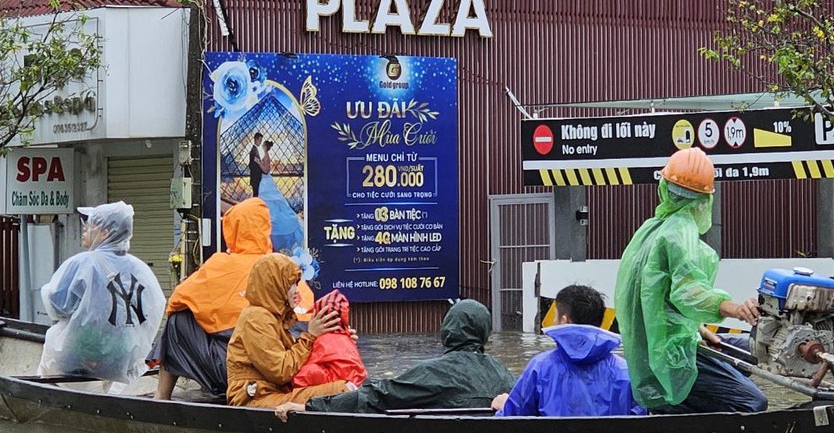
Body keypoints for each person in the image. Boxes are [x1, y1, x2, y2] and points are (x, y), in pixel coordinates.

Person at [613, 149, 767, 414]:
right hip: (672, 353)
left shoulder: (649, 230)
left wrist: (700, 329)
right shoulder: (679, 231)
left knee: (753, 351)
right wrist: (736, 309)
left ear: (663, 187)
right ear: (706, 199)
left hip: (654, 346)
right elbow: (688, 292)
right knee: (752, 402)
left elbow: (659, 298)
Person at [155, 198, 313, 398]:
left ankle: (162, 396)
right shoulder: (281, 266)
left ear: (232, 229)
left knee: (177, 319)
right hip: (294, 360)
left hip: (240, 372)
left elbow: (177, 301)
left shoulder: (221, 265)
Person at [279, 300, 514, 418]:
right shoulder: (504, 372)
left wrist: (309, 407)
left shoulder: (436, 373)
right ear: (485, 333)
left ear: (447, 331)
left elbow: (380, 396)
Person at [37, 201, 166, 384]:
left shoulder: (83, 263)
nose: (85, 229)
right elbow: (154, 310)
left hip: (78, 356)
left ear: (105, 232)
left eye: (90, 225)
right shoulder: (141, 269)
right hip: (124, 360)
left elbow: (57, 306)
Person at [226, 254, 350, 409]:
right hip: (256, 399)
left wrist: (336, 342)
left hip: (275, 392)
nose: (297, 291)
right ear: (275, 285)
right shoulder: (255, 318)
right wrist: (310, 336)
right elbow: (281, 371)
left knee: (344, 390)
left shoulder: (277, 317)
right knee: (342, 392)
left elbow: (297, 363)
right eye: (292, 284)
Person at [494, 284, 635, 417]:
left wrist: (504, 406)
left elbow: (513, 419)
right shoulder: (626, 371)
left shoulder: (540, 367)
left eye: (554, 317)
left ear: (564, 320)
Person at [294, 289, 365, 388]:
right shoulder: (346, 338)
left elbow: (301, 371)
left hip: (336, 385)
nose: (295, 291)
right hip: (353, 381)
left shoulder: (322, 340)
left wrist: (310, 336)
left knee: (304, 372)